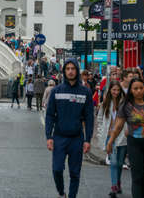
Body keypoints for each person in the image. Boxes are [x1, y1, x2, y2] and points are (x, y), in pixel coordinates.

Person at [45, 59, 94, 198]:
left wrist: (87, 139)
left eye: (73, 68)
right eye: (68, 68)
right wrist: (49, 136)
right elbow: (49, 115)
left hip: (77, 139)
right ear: (64, 71)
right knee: (57, 170)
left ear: (77, 71)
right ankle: (61, 193)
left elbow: (89, 117)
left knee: (75, 173)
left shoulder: (85, 92)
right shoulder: (56, 91)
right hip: (59, 137)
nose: (70, 71)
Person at [107, 78, 144, 198]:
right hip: (134, 144)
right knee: (137, 176)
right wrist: (111, 141)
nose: (139, 91)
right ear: (131, 91)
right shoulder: (126, 105)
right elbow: (118, 126)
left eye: (141, 88)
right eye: (135, 88)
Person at [98, 81, 127, 197]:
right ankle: (114, 186)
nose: (116, 92)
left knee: (120, 163)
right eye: (114, 90)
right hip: (109, 137)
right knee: (113, 162)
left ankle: (118, 182)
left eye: (118, 90)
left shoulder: (124, 103)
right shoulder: (106, 103)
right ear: (110, 90)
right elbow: (100, 118)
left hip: (122, 137)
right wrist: (101, 132)